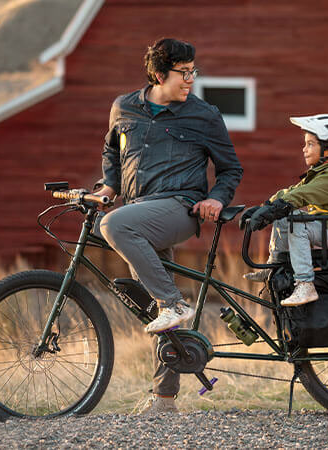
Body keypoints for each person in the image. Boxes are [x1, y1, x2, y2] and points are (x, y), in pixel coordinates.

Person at [93, 38, 243, 412]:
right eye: (184, 73)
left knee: (113, 227)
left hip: (179, 209)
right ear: (159, 74)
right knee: (155, 313)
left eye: (194, 71)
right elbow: (112, 150)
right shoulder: (124, 107)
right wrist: (109, 184)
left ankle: (175, 303)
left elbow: (230, 169)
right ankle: (164, 400)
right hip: (139, 211)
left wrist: (216, 198)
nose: (191, 79)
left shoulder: (204, 115)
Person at [243, 114, 328, 306]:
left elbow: (302, 195)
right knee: (286, 217)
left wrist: (274, 209)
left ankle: (305, 284)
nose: (304, 149)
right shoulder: (323, 170)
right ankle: (274, 266)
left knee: (294, 220)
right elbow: (292, 191)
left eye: (310, 144)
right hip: (327, 226)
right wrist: (266, 206)